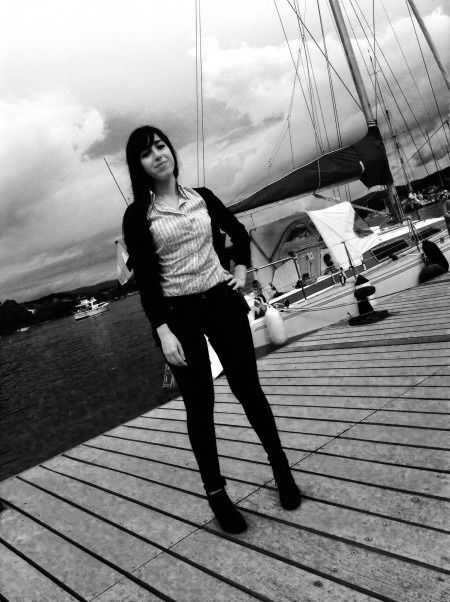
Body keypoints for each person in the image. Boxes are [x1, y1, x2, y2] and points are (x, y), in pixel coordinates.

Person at [122, 126, 301, 534]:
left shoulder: (202, 197)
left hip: (222, 301)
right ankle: (217, 494)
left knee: (249, 390)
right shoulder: (139, 215)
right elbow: (146, 279)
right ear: (139, 165)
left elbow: (237, 233)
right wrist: (162, 331)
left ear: (171, 151)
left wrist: (241, 270)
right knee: (199, 406)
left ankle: (281, 470)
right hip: (178, 315)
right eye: (147, 153)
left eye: (161, 146)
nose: (158, 155)